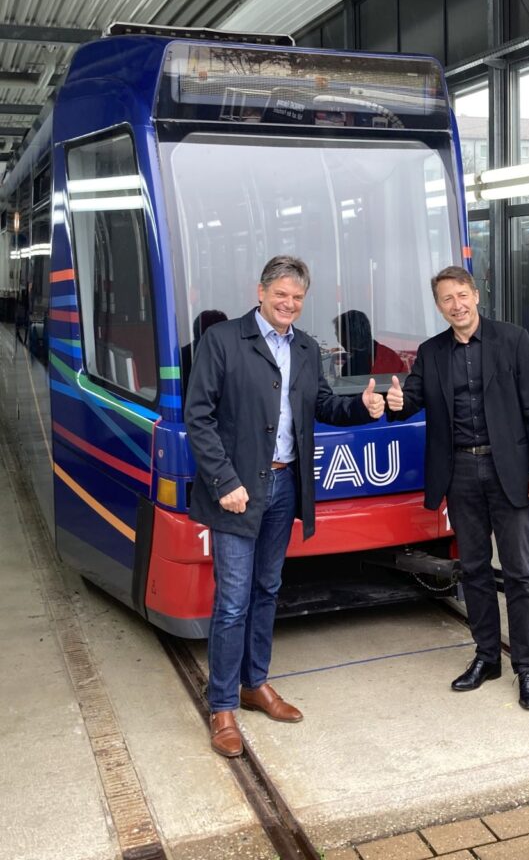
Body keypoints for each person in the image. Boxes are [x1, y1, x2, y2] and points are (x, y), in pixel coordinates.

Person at [184, 256, 385, 757]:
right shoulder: (223, 341)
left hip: (283, 489)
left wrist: (365, 406)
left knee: (268, 588)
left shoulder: (305, 347)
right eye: (281, 295)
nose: (289, 305)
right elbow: (199, 418)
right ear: (260, 292)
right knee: (233, 600)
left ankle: (255, 684)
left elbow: (321, 406)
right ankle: (223, 705)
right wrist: (224, 480)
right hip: (237, 493)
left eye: (297, 298)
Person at [386, 265, 529, 710]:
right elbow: (412, 401)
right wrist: (396, 401)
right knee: (475, 570)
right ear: (439, 306)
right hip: (460, 472)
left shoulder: (512, 340)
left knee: (519, 572)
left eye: (462, 295)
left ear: (476, 295)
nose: (456, 305)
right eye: (447, 299)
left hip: (512, 473)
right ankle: (486, 657)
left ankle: (526, 669)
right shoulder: (432, 352)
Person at [332, 309, 405, 376]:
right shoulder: (390, 355)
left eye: (338, 334)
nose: (338, 340)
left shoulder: (352, 366)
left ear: (348, 335)